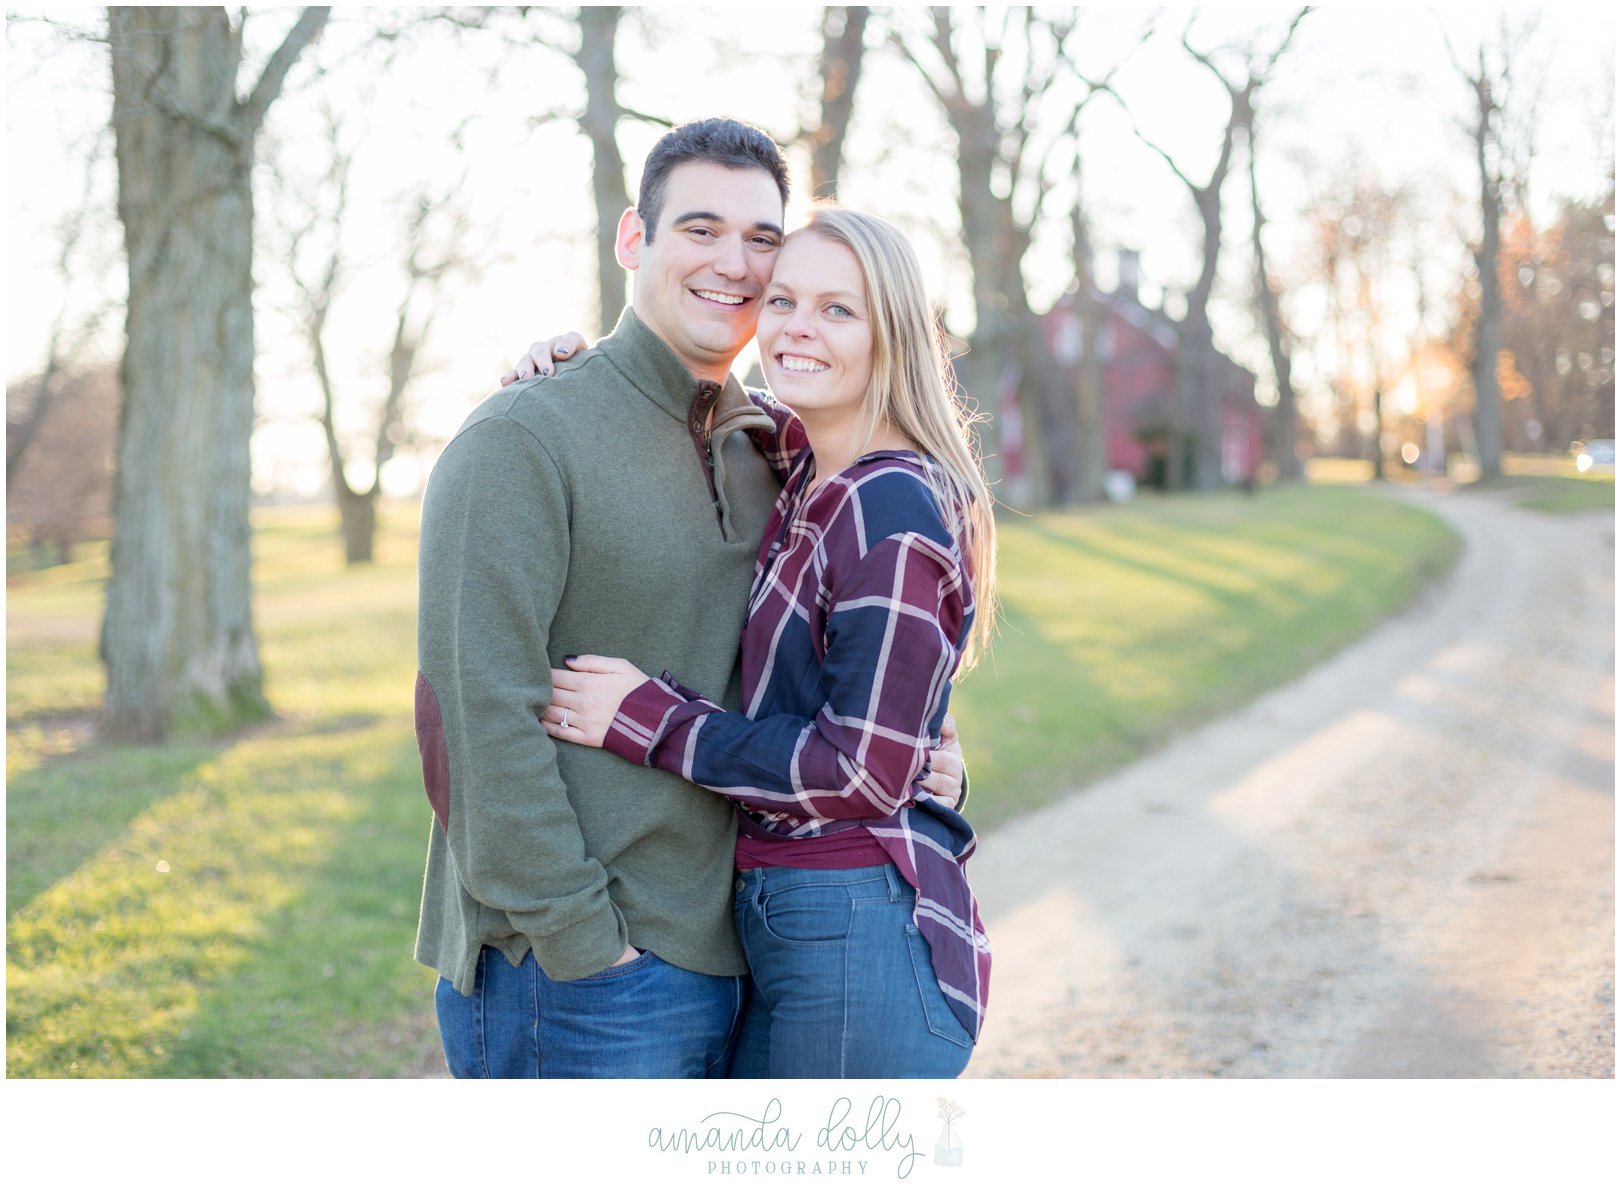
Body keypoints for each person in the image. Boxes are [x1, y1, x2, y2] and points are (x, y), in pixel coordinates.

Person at [413, 118, 960, 1079]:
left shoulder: (769, 449)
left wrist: (921, 755)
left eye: (761, 241)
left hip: (746, 951)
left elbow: (849, 664)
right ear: (635, 240)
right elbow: (470, 713)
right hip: (579, 975)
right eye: (699, 229)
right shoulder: (522, 435)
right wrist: (584, 943)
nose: (736, 265)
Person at [527, 207, 996, 1077]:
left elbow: (861, 770)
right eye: (781, 300)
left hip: (854, 922)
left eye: (837, 310)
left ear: (891, 334)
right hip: (793, 914)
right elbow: (713, 409)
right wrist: (577, 367)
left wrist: (650, 719)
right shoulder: (814, 463)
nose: (796, 328)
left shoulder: (886, 507)